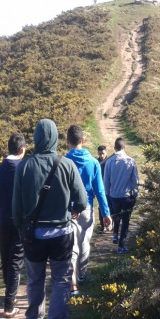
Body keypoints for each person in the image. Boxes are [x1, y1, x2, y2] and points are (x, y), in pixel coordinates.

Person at [12, 119, 87, 319]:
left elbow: (17, 207)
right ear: (55, 138)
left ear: (35, 138)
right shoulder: (66, 165)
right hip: (61, 234)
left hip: (33, 236)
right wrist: (73, 211)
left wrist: (21, 229)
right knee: (61, 280)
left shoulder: (24, 166)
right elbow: (82, 200)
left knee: (35, 279)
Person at [65, 126, 111, 296]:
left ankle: (72, 281)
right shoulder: (93, 162)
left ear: (68, 141)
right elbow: (100, 190)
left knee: (72, 245)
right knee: (84, 242)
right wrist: (106, 213)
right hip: (88, 208)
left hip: (69, 209)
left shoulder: (64, 161)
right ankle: (82, 274)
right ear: (83, 141)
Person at [0, 133, 27, 318]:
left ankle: (10, 291)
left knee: (5, 258)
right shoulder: (25, 168)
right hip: (20, 221)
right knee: (16, 262)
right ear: (21, 150)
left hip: (2, 220)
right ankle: (9, 305)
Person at [103, 137, 139, 254]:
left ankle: (114, 235)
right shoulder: (131, 161)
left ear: (114, 148)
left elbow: (106, 182)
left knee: (116, 216)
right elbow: (135, 181)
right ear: (125, 147)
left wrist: (107, 196)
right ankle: (121, 246)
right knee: (126, 221)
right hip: (127, 196)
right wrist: (135, 195)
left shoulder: (109, 162)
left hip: (114, 195)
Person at [96, 145, 108, 232]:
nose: (101, 156)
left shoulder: (109, 161)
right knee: (101, 206)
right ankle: (103, 226)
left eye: (103, 153)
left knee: (110, 206)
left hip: (109, 188)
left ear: (106, 152)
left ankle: (111, 223)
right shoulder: (96, 162)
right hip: (100, 188)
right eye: (100, 154)